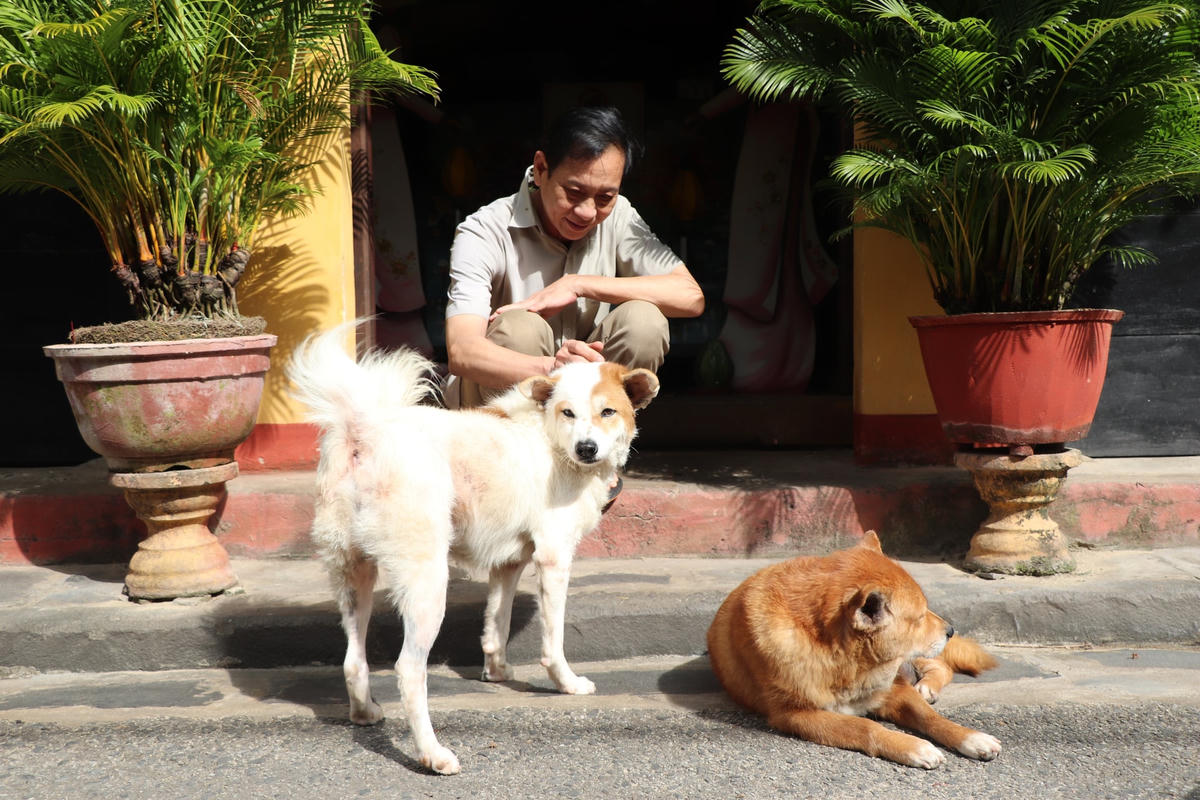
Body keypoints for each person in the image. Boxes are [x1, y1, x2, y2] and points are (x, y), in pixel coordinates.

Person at [443, 105, 706, 412]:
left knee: (644, 321)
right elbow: (462, 351)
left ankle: (600, 446)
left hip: (586, 419)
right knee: (520, 328)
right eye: (573, 191)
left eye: (605, 198)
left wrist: (580, 284)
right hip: (500, 425)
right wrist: (557, 371)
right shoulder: (483, 230)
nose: (588, 212)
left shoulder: (620, 216)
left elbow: (690, 296)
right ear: (541, 169)